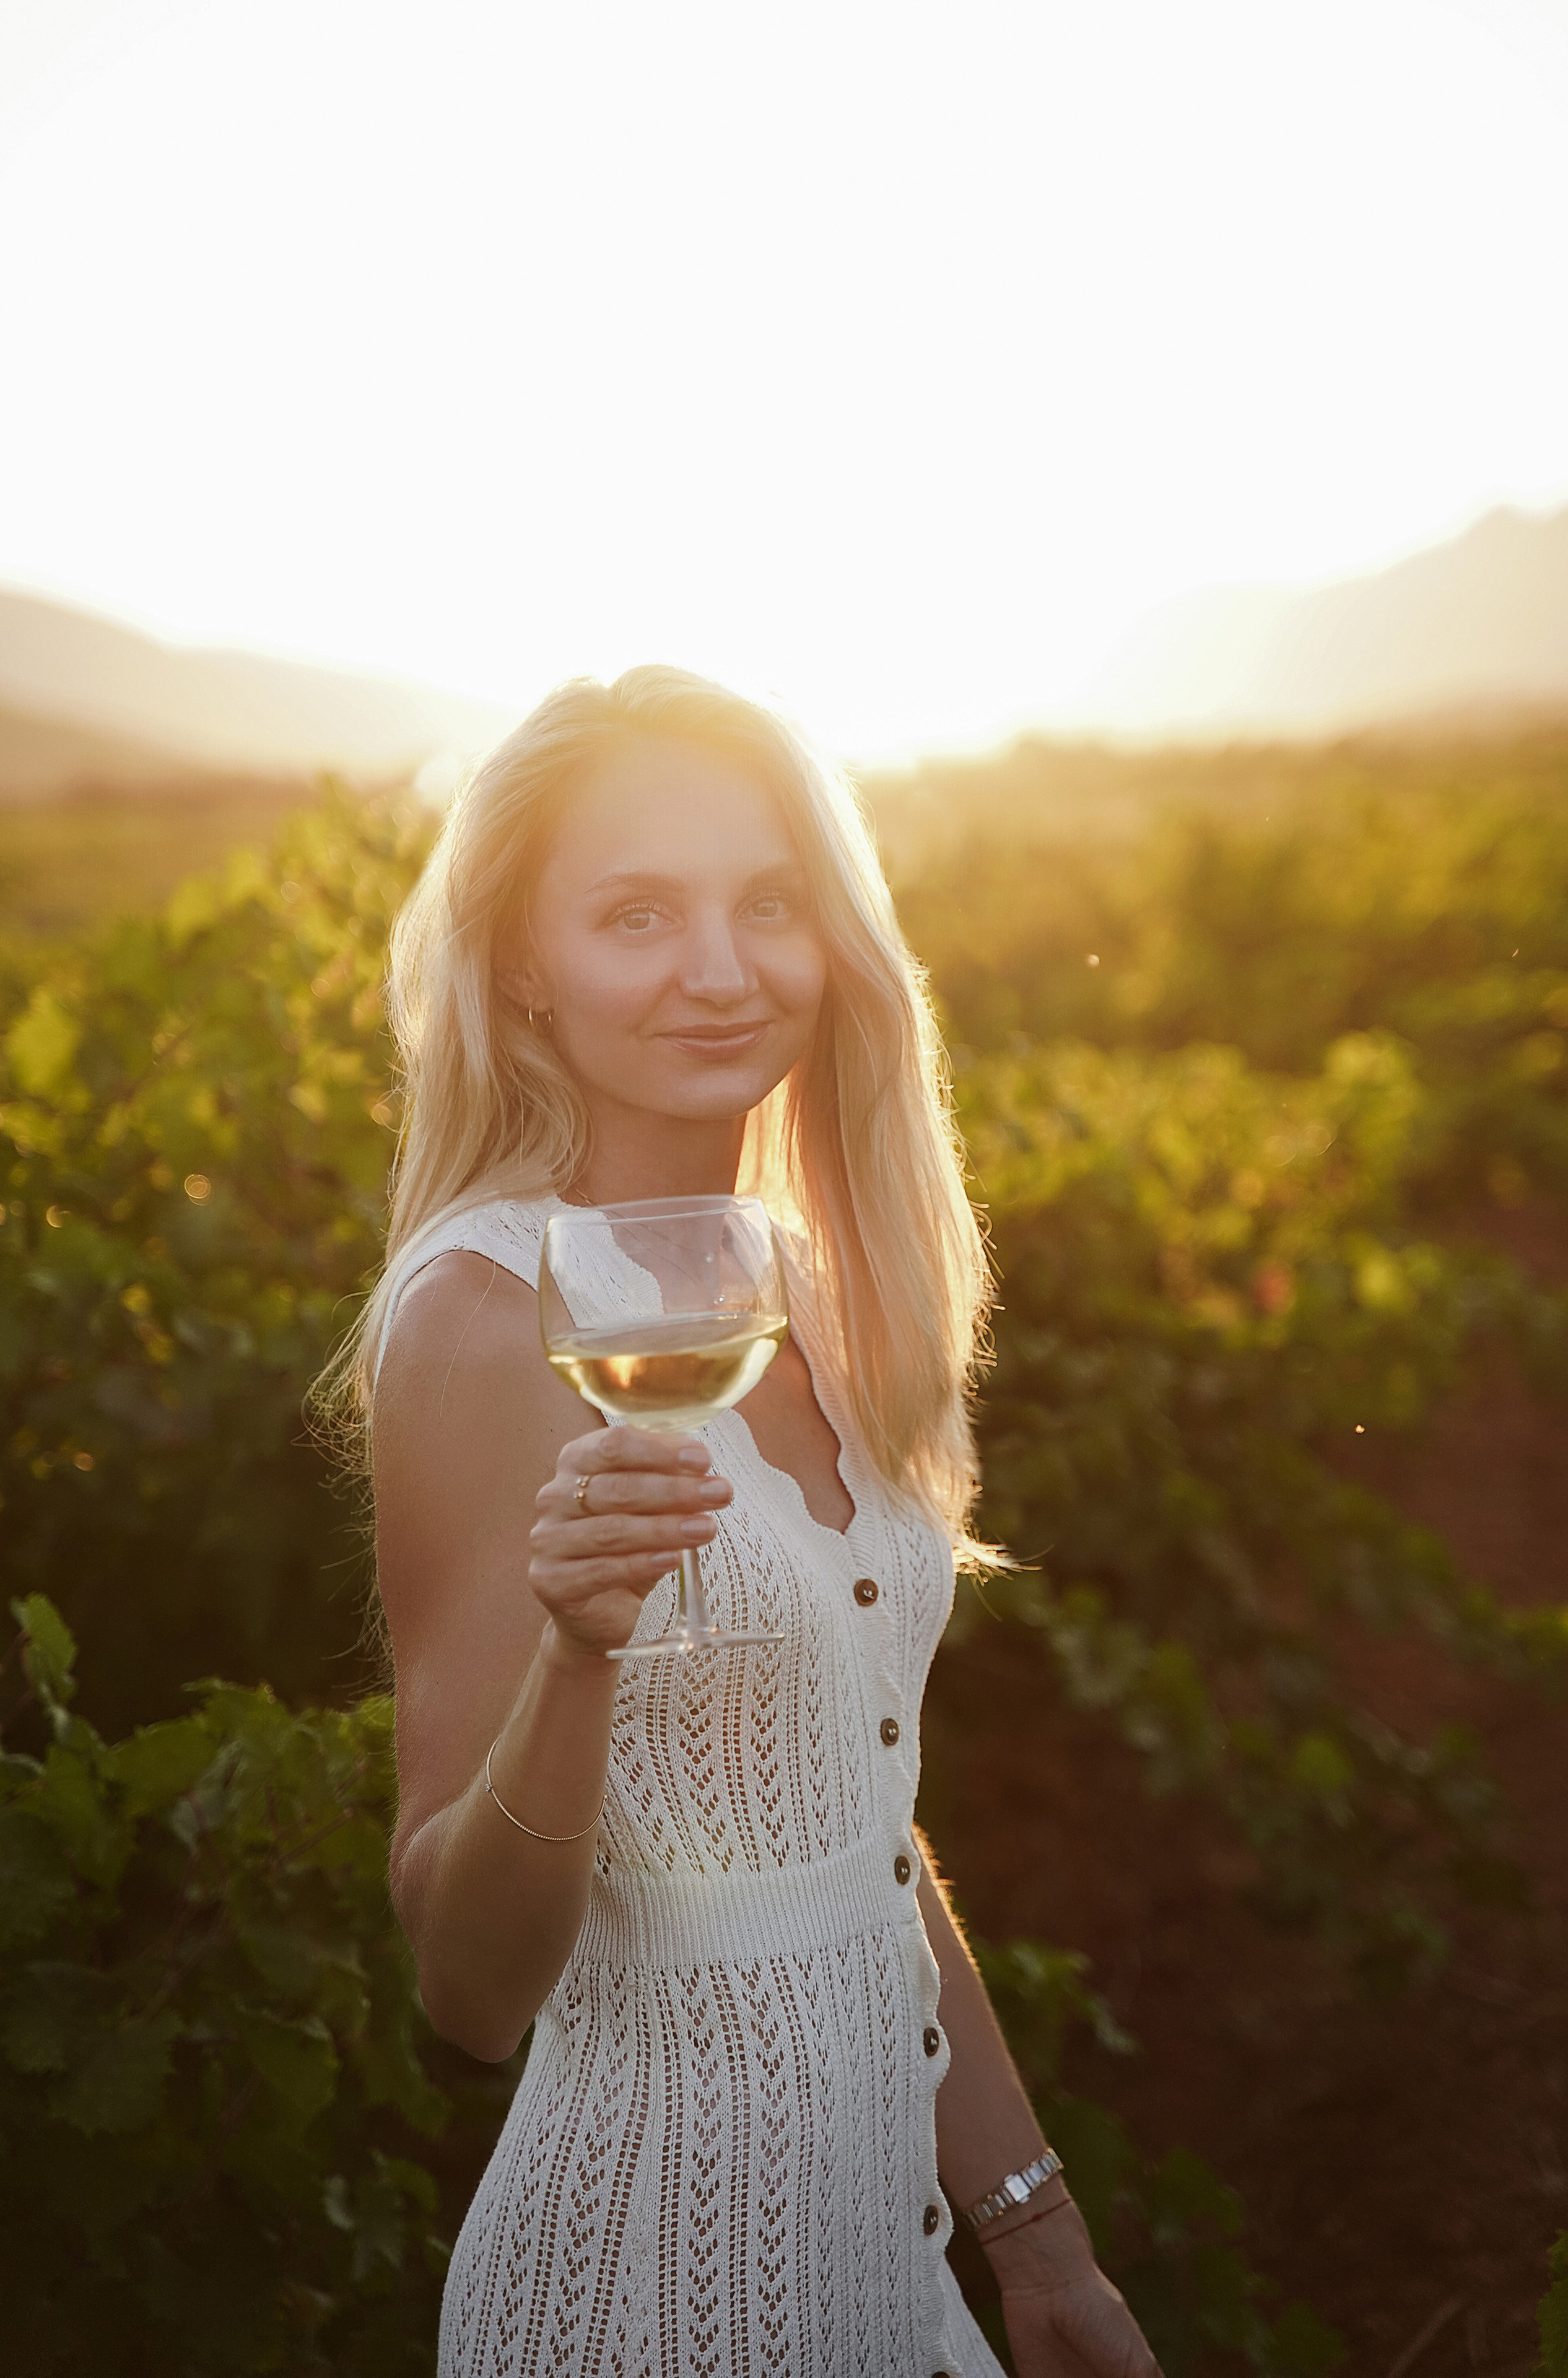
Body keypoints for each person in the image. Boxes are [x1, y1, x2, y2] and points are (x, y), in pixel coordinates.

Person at [355, 667, 1159, 2377]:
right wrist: (581, 1654)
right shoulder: (482, 1319)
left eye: (770, 903)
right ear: (524, 966)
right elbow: (468, 1989)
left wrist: (1041, 2243)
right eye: (637, 914)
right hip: (644, 2297)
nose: (720, 969)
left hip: (882, 2282)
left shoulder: (802, 1281)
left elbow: (860, 1838)